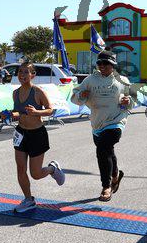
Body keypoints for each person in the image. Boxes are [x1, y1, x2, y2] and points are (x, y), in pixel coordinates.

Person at [71, 50, 134, 202]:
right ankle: (115, 175)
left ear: (113, 65)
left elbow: (132, 100)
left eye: (106, 63)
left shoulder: (122, 80)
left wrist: (128, 101)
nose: (102, 66)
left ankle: (106, 186)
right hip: (97, 123)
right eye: (99, 63)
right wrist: (81, 95)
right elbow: (74, 98)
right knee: (107, 151)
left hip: (116, 121)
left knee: (102, 149)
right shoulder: (90, 80)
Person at [9, 62, 65, 213]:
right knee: (21, 169)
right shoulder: (15, 93)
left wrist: (36, 112)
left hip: (37, 134)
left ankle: (52, 169)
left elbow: (50, 110)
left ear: (32, 75)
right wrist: (9, 114)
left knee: (36, 174)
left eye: (26, 72)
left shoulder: (38, 92)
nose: (22, 75)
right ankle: (28, 200)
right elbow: (19, 112)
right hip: (21, 133)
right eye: (20, 72)